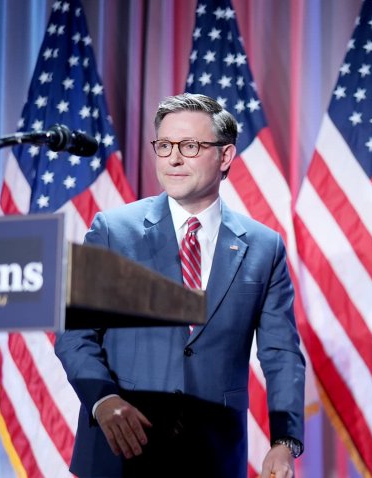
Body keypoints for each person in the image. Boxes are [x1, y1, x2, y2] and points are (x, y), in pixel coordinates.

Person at [55, 93, 305, 477]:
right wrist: (102, 400)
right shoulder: (114, 232)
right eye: (164, 145)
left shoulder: (263, 246)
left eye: (189, 146)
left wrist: (284, 441)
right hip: (121, 449)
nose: (173, 158)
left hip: (214, 455)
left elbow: (281, 352)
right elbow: (75, 335)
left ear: (225, 156)